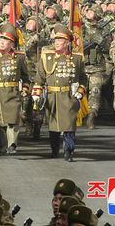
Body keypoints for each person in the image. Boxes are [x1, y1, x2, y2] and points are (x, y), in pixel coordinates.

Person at [32, 26, 87, 161]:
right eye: (56, 39)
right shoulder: (47, 57)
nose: (56, 42)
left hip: (69, 96)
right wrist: (37, 92)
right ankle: (54, 149)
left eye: (60, 40)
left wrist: (80, 91)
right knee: (53, 126)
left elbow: (83, 78)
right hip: (52, 96)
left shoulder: (76, 58)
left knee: (68, 125)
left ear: (68, 42)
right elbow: (40, 77)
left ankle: (69, 150)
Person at [0, 23, 30, 155]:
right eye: (1, 40)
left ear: (12, 44)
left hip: (13, 92)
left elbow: (26, 76)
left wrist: (25, 89)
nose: (2, 43)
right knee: (0, 122)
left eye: (6, 41)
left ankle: (12, 144)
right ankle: (2, 146)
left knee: (13, 120)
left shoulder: (19, 57)